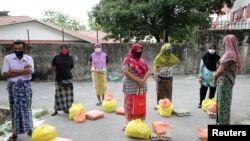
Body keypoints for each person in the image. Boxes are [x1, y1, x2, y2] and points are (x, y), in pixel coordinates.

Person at [1, 39, 34, 141]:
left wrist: (13, 71)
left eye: (20, 48)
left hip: (25, 86)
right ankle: (15, 133)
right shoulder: (8, 58)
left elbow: (30, 72)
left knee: (27, 108)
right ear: (13, 48)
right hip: (13, 87)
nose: (17, 50)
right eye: (15, 48)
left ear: (24, 48)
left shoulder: (28, 58)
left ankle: (30, 129)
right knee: (14, 110)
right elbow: (5, 73)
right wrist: (23, 71)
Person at [213, 34, 241, 125]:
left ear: (227, 42)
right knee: (224, 105)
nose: (223, 43)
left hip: (224, 82)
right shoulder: (232, 54)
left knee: (223, 106)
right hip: (227, 82)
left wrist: (214, 77)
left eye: (224, 41)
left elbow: (220, 70)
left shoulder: (229, 54)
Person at [122, 43, 150, 130]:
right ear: (133, 50)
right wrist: (139, 80)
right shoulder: (127, 60)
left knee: (140, 105)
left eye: (141, 50)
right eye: (138, 50)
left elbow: (148, 71)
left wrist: (143, 80)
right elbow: (125, 72)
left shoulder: (142, 61)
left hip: (141, 87)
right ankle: (129, 123)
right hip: (130, 87)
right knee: (129, 105)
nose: (139, 52)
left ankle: (139, 123)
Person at [153, 43, 179, 109]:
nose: (170, 50)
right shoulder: (159, 57)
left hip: (169, 77)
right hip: (160, 77)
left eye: (171, 48)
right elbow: (155, 67)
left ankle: (168, 105)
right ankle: (159, 105)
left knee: (168, 91)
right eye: (168, 48)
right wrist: (155, 75)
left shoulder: (171, 56)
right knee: (160, 92)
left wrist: (169, 65)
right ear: (164, 49)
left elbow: (177, 61)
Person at [51, 43, 74, 116]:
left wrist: (66, 72)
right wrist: (58, 72)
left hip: (68, 78)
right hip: (59, 79)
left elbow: (71, 67)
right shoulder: (56, 57)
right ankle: (56, 110)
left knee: (68, 95)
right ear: (60, 49)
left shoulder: (70, 58)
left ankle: (67, 109)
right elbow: (52, 67)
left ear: (67, 49)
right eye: (62, 48)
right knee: (58, 95)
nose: (64, 49)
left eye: (65, 48)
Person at [197, 43, 220, 108]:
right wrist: (200, 77)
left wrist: (217, 76)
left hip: (214, 77)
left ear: (215, 49)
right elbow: (201, 67)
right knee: (203, 90)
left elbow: (219, 67)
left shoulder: (218, 58)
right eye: (210, 48)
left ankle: (210, 104)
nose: (211, 50)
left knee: (212, 91)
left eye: (213, 48)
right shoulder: (204, 57)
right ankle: (201, 103)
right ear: (208, 49)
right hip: (205, 76)